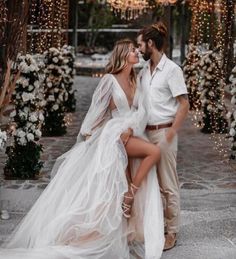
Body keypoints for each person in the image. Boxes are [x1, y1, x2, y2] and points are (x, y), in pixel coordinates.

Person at [0, 39, 164, 259]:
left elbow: (141, 112)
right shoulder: (108, 80)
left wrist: (131, 126)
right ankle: (119, 208)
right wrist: (100, 134)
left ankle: (126, 216)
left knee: (133, 171)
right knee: (151, 154)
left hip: (130, 132)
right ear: (123, 55)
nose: (137, 52)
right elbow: (95, 115)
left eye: (136, 49)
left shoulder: (136, 80)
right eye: (133, 50)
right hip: (113, 134)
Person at [137, 23, 190, 251]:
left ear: (151, 43)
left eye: (141, 44)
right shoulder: (143, 70)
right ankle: (155, 227)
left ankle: (172, 231)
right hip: (145, 134)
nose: (139, 49)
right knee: (151, 185)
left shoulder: (172, 70)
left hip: (164, 132)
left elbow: (184, 104)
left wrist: (171, 133)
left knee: (168, 184)